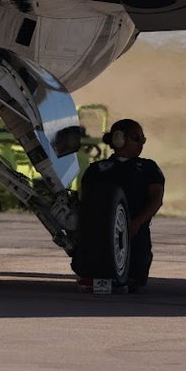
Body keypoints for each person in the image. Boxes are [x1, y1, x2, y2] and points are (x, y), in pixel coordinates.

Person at [73, 118, 164, 293]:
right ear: (119, 139)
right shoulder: (96, 170)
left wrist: (136, 222)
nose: (141, 143)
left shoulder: (148, 168)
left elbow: (156, 199)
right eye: (137, 138)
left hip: (135, 235)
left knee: (136, 276)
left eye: (142, 140)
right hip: (99, 236)